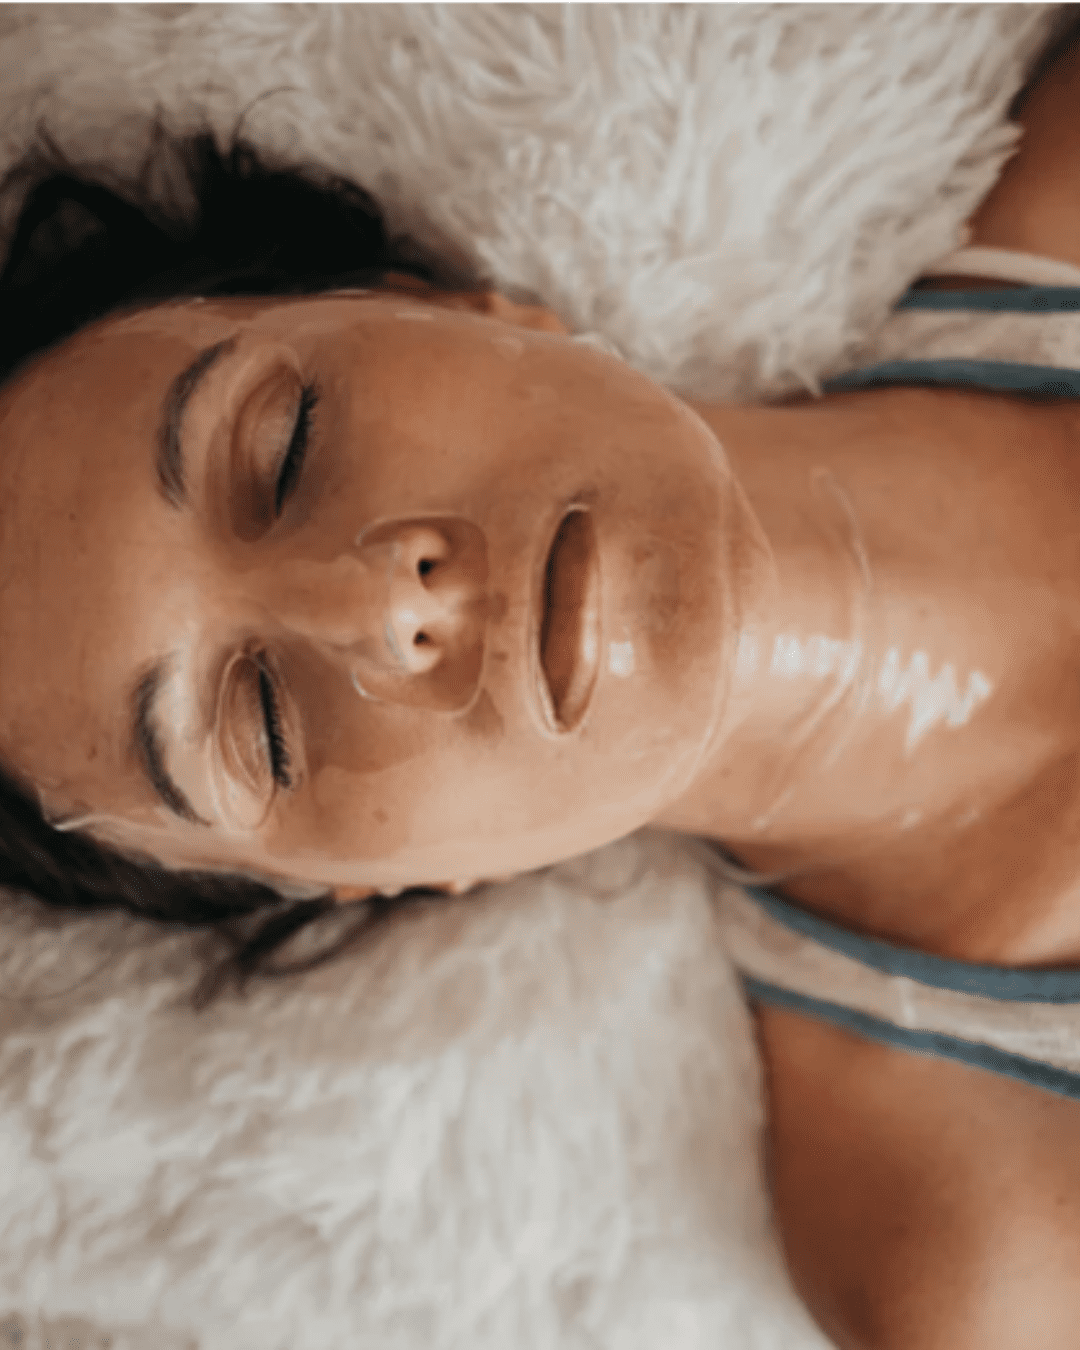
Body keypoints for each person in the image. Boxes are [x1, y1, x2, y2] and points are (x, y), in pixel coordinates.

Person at [4, 19, 1080, 1350]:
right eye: (263, 724)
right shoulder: (975, 1239)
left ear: (446, 304)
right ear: (384, 878)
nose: (383, 601)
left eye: (284, 450)